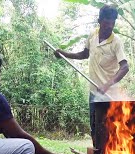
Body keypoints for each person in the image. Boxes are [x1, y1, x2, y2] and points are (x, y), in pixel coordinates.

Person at [54, 5, 129, 146]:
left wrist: (107, 85)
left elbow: (124, 67)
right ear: (99, 21)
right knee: (95, 126)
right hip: (94, 92)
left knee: (111, 127)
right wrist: (64, 54)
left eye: (112, 23)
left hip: (110, 94)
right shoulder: (93, 35)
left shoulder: (116, 42)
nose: (110, 27)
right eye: (107, 23)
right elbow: (84, 54)